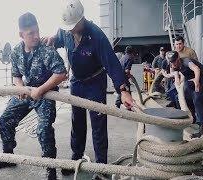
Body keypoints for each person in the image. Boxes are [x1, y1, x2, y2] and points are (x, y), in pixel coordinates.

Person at [42, 0, 134, 177]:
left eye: (71, 26)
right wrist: (53, 39)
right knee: (77, 122)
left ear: (80, 20)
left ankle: (101, 167)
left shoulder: (97, 36)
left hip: (94, 83)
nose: (68, 29)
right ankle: (76, 157)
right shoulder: (65, 30)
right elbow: (60, 39)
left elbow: (112, 64)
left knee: (98, 123)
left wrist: (123, 90)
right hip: (77, 83)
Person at [0, 13, 67, 180]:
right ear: (21, 35)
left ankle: (50, 166)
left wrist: (41, 90)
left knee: (44, 129)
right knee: (5, 119)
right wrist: (20, 88)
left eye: (37, 31)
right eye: (31, 33)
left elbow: (61, 73)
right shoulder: (16, 51)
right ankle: (7, 157)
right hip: (27, 92)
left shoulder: (46, 50)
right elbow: (16, 75)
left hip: (46, 93)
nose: (36, 36)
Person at [167, 51, 203, 138]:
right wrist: (172, 75)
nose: (173, 64)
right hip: (191, 81)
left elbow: (196, 69)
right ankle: (192, 117)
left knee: (197, 99)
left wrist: (196, 81)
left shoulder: (186, 61)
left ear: (178, 58)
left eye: (174, 61)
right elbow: (172, 72)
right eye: (171, 62)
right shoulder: (172, 64)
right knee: (181, 96)